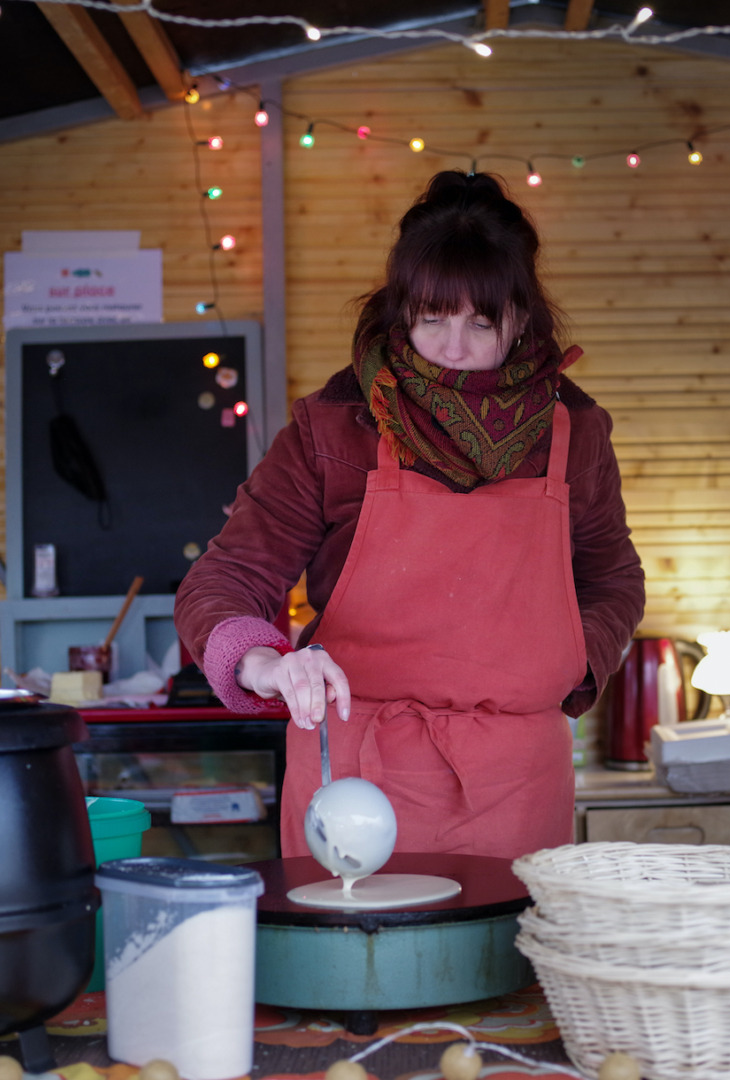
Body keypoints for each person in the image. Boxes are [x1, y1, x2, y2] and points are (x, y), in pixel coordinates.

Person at [174, 170, 645, 861]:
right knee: (348, 967)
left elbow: (614, 579)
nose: (453, 349)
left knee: (508, 969)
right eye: (432, 319)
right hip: (353, 778)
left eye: (479, 323)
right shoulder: (336, 428)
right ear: (400, 312)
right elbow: (227, 577)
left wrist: (573, 663)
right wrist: (263, 664)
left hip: (516, 785)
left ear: (520, 316)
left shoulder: (573, 431)